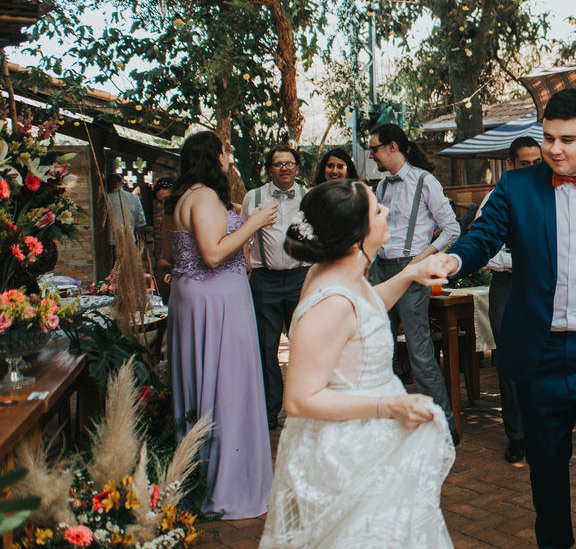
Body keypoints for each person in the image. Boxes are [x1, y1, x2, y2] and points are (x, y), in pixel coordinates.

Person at [446, 88, 576, 549]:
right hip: (540, 353)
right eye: (548, 138)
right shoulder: (516, 186)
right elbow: (482, 236)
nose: (554, 150)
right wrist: (454, 261)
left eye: (567, 139)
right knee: (546, 466)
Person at [258, 180, 456, 549]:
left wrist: (410, 274)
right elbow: (299, 400)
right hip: (343, 455)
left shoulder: (345, 274)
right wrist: (390, 405)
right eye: (377, 210)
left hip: (369, 440)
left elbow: (365, 308)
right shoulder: (330, 299)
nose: (386, 212)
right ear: (356, 237)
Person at [163, 131, 278, 520]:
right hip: (217, 299)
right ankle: (230, 486)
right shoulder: (204, 197)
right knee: (227, 386)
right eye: (226, 152)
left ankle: (198, 478)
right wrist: (254, 222)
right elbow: (212, 254)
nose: (229, 158)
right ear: (213, 158)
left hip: (191, 297)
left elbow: (170, 256)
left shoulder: (179, 199)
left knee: (202, 383)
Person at [366, 123, 461, 443]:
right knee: (381, 347)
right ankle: (391, 424)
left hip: (411, 270)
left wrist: (421, 259)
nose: (371, 154)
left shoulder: (425, 181)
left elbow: (452, 228)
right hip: (381, 270)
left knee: (420, 352)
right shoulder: (381, 187)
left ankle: (445, 427)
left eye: (374, 148)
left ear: (392, 147)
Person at [478, 135, 541, 464]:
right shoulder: (496, 197)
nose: (532, 169)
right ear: (511, 165)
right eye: (525, 164)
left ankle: (543, 430)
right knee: (509, 359)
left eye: (537, 163)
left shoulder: (555, 194)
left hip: (545, 284)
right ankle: (516, 435)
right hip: (507, 285)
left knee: (546, 355)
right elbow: (486, 249)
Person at [242, 146, 308, 431]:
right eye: (278, 164)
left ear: (297, 168)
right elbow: (243, 236)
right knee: (266, 347)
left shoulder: (309, 196)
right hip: (264, 279)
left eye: (289, 163)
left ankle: (302, 408)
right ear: (269, 169)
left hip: (299, 278)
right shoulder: (253, 197)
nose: (284, 168)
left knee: (304, 346)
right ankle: (270, 411)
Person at [106, 172, 146, 246]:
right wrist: (140, 237)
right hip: (130, 239)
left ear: (111, 183)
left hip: (113, 240)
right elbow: (141, 220)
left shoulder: (107, 198)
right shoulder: (134, 198)